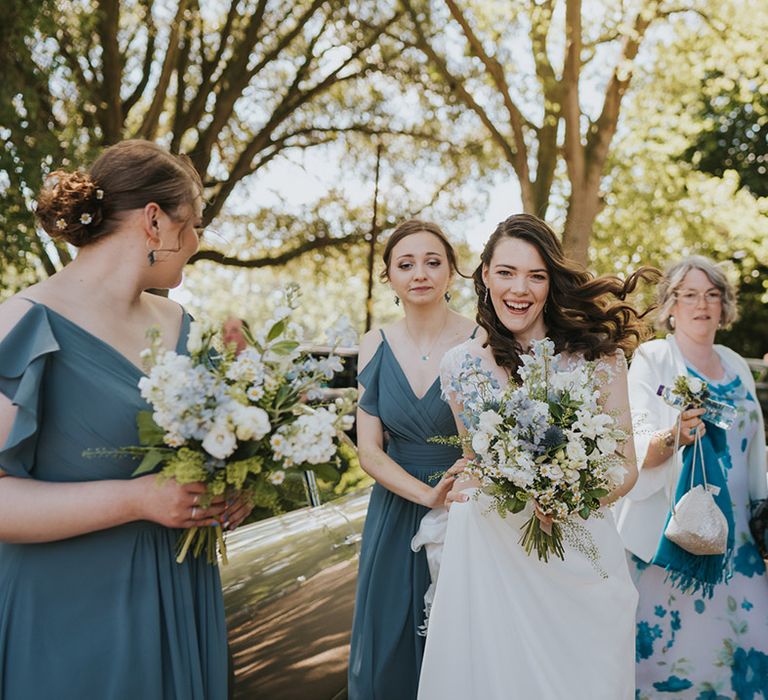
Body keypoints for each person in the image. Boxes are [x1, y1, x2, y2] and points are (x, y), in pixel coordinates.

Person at [0, 140, 251, 700]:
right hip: (69, 614)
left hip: (181, 589)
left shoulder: (184, 325)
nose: (195, 243)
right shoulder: (21, 325)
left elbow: (213, 446)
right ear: (155, 221)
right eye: (195, 224)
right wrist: (138, 499)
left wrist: (232, 488)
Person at [417, 213, 651, 700]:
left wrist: (568, 496)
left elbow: (625, 465)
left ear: (551, 282)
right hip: (491, 558)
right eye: (506, 272)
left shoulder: (598, 358)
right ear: (485, 275)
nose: (519, 288)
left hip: (578, 551)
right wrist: (466, 479)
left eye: (536, 275)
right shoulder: (458, 366)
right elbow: (473, 459)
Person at [616, 256, 768, 698]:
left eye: (712, 294)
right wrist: (674, 436)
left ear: (724, 306)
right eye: (689, 295)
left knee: (751, 645)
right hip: (677, 539)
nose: (701, 304)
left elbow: (755, 448)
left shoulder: (736, 364)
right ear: (669, 305)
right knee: (673, 660)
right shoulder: (653, 358)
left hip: (739, 541)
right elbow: (635, 442)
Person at [348, 219, 476, 699]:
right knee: (388, 647)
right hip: (396, 511)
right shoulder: (374, 344)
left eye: (432, 262)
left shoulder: (481, 339)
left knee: (457, 638)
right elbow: (368, 450)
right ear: (390, 277)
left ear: (451, 272)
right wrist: (426, 494)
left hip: (466, 507)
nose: (419, 273)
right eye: (406, 264)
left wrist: (450, 496)